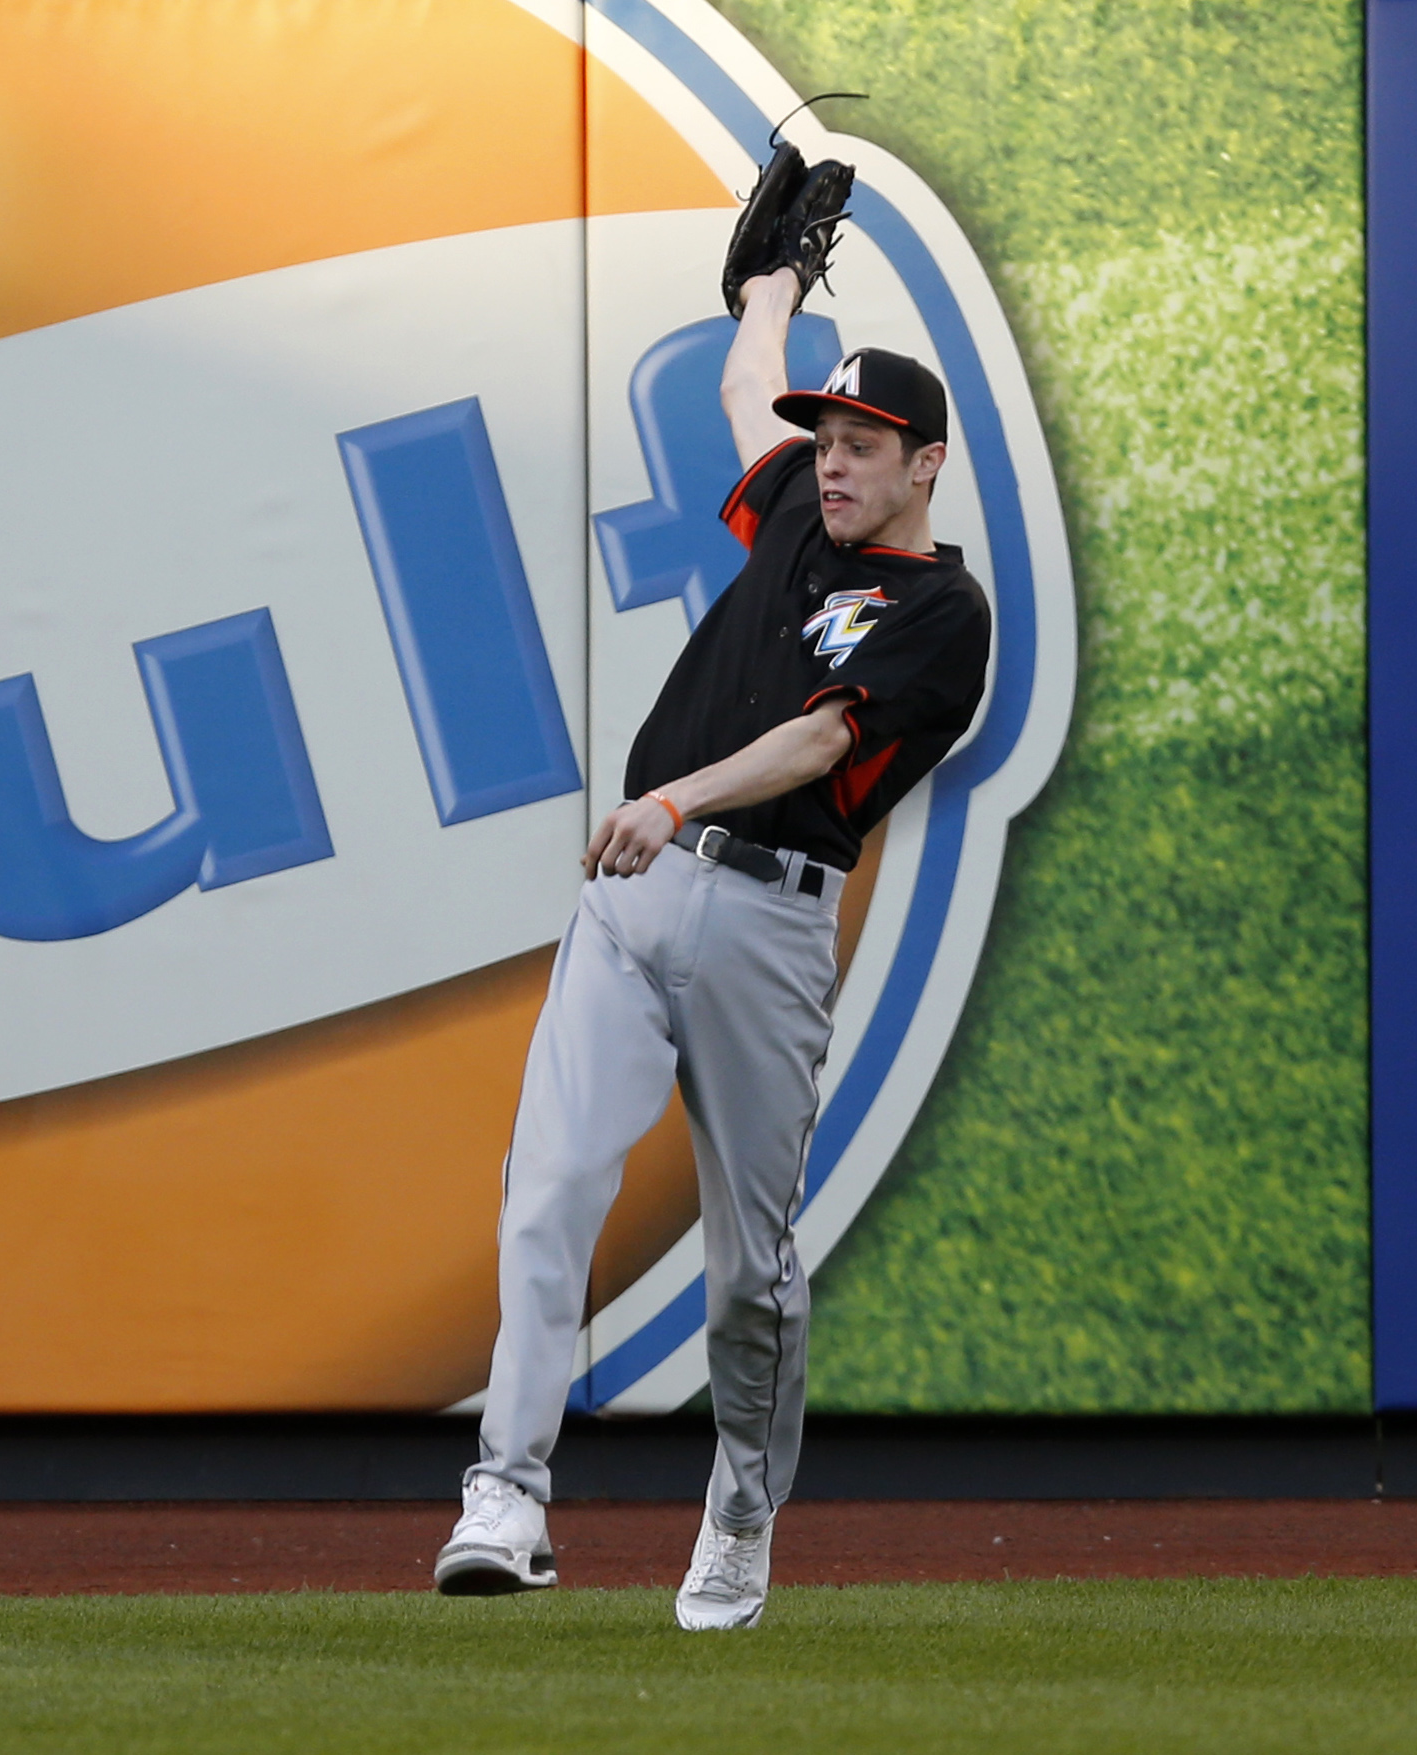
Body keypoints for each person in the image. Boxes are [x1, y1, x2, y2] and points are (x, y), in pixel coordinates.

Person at [435, 263, 992, 1629]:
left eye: (863, 444)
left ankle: (742, 1516)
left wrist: (678, 794)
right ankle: (504, 1494)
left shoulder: (942, 615)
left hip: (769, 921)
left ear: (925, 464)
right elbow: (752, 386)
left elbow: (819, 738)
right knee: (550, 1183)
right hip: (634, 901)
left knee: (750, 1267)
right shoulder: (804, 500)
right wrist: (773, 288)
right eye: (830, 437)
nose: (835, 459)